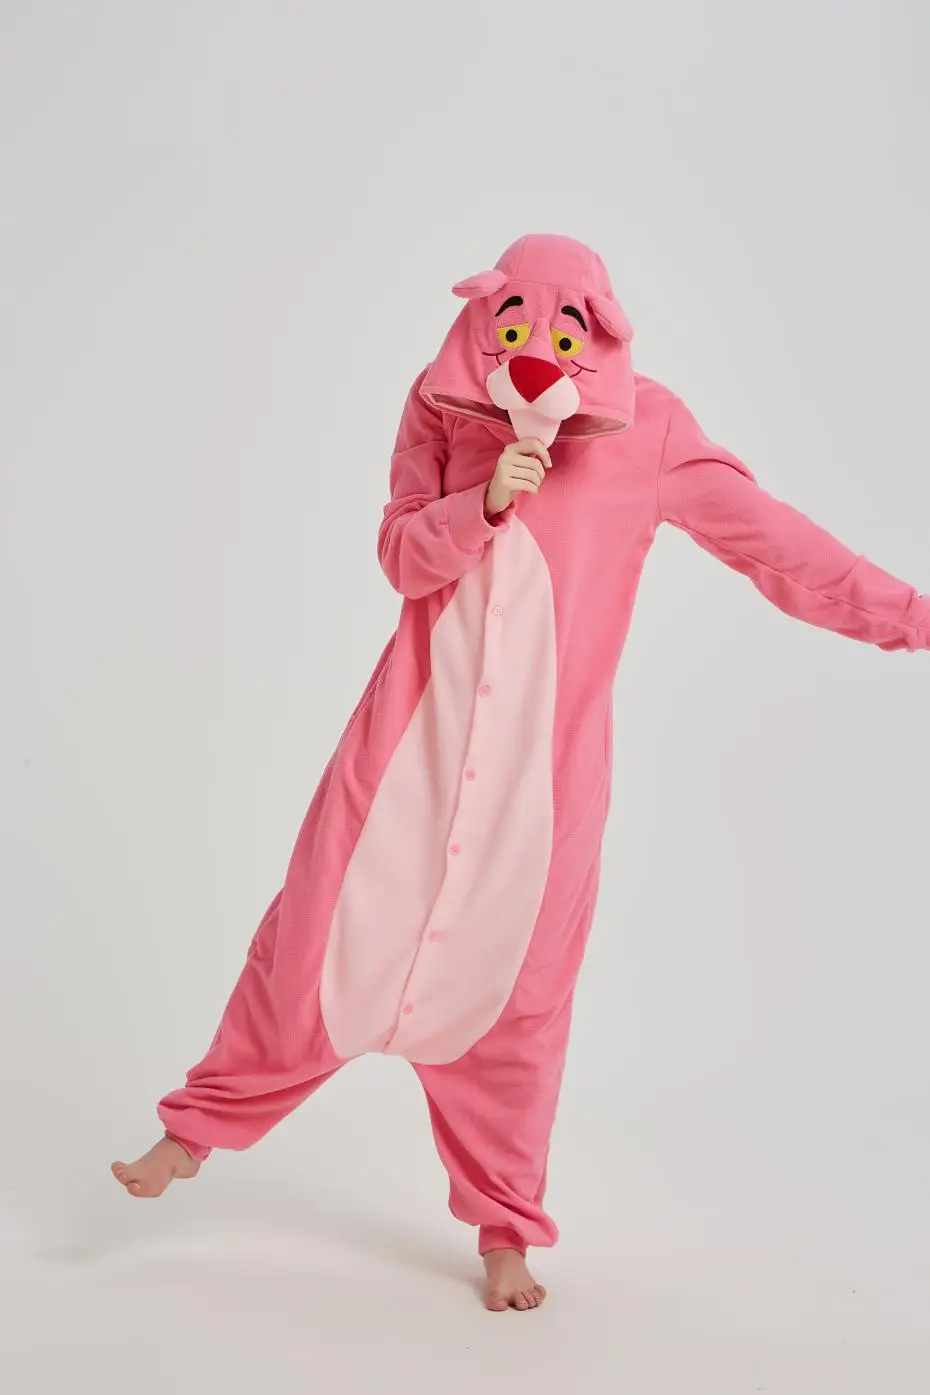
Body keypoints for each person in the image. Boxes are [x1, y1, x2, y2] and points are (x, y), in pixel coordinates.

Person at [112, 233, 929, 1312]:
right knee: (311, 939)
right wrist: (484, 501)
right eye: (513, 326)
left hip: (541, 789)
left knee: (521, 999)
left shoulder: (652, 432)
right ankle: (195, 1131)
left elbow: (779, 546)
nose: (536, 348)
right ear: (483, 322)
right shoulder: (441, 409)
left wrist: (911, 617)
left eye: (564, 332)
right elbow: (400, 556)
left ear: (601, 335)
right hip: (407, 753)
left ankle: (505, 1229)